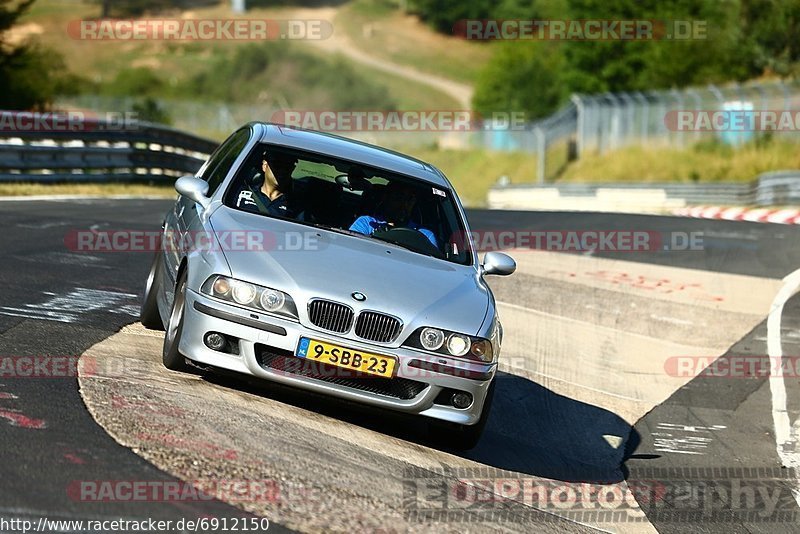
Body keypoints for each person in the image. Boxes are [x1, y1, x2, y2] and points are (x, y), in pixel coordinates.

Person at [349, 181, 437, 247]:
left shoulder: (425, 236)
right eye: (399, 198)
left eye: (410, 199)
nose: (404, 204)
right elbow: (352, 249)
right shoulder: (366, 224)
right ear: (386, 198)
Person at [236, 150, 297, 218]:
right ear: (265, 166)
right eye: (277, 165)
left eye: (287, 166)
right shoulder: (241, 193)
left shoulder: (295, 205)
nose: (282, 171)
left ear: (292, 169)